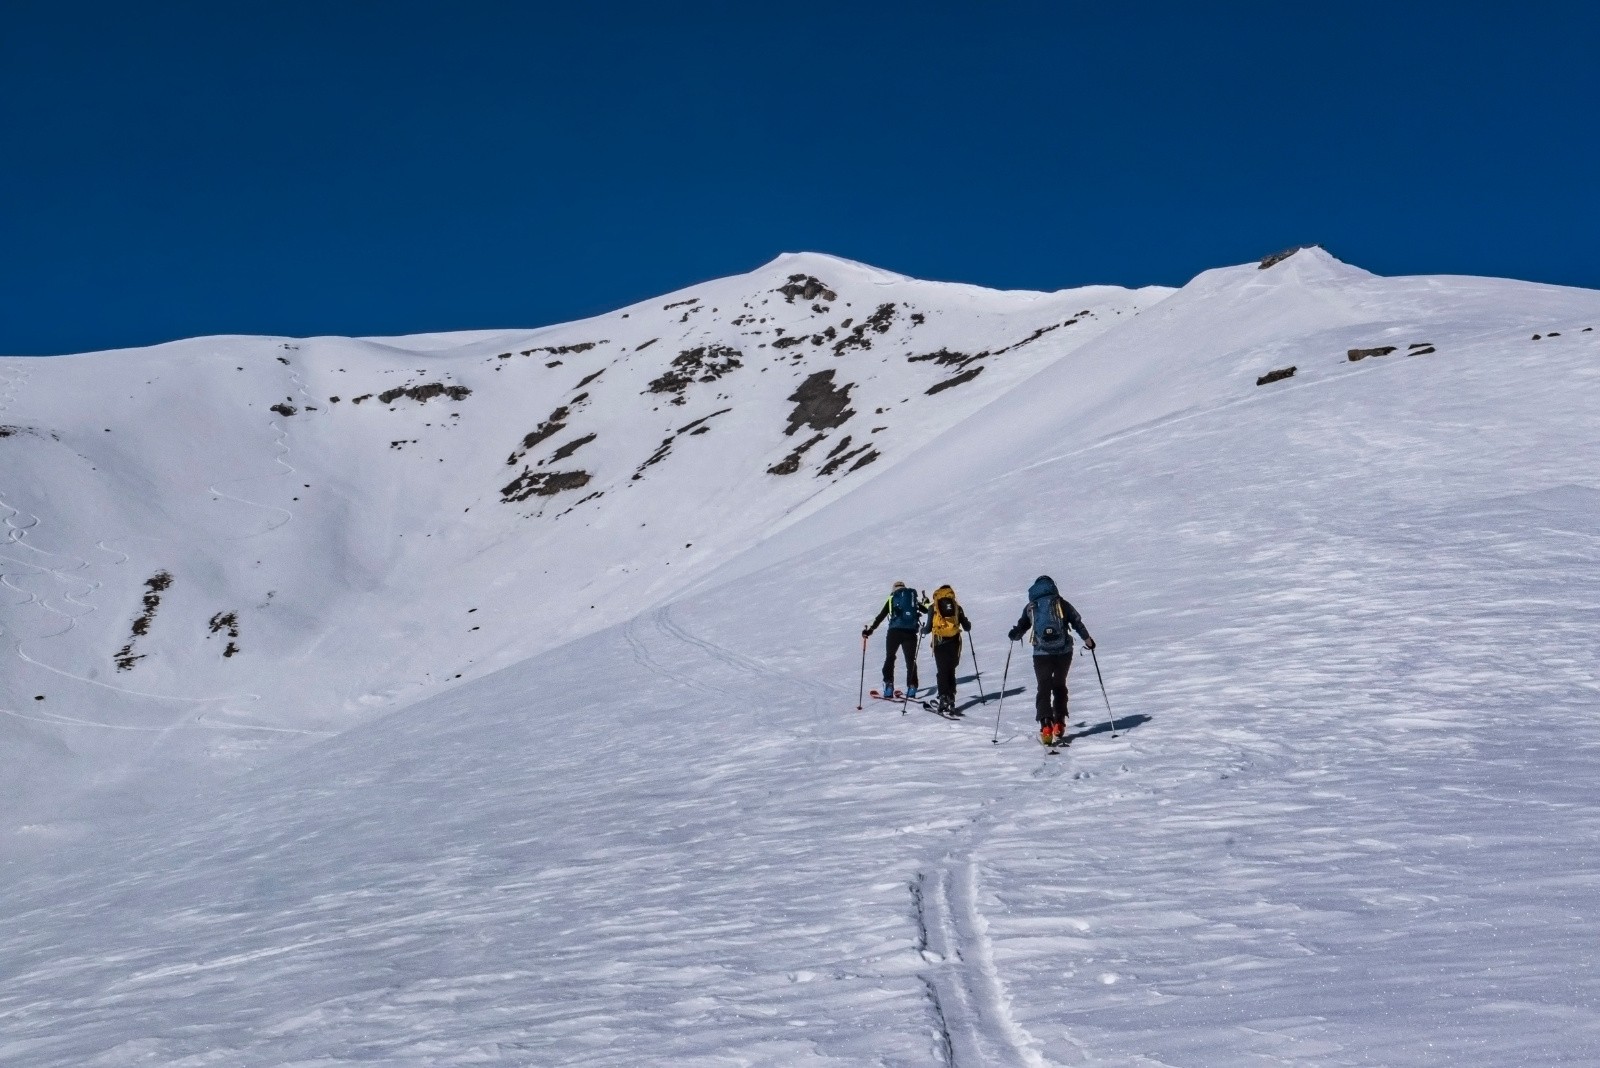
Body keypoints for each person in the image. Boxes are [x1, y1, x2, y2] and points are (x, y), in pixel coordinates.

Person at [1007, 575, 1095, 746]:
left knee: (1044, 687)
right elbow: (1077, 621)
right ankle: (1059, 723)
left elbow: (1021, 628)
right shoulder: (1060, 602)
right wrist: (1088, 640)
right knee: (1060, 685)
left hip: (1041, 654)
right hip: (1064, 652)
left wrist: (1014, 635)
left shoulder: (1031, 607)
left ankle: (1046, 725)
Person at [863, 581, 928, 697]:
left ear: (894, 589)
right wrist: (926, 602)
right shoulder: (912, 598)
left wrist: (870, 630)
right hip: (911, 633)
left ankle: (888, 686)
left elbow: (881, 616)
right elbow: (927, 610)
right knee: (910, 660)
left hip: (894, 632)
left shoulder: (892, 598)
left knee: (890, 657)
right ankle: (912, 687)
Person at [923, 584, 972, 715]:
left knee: (942, 672)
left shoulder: (933, 607)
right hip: (954, 642)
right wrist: (967, 623)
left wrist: (922, 630)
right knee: (951, 671)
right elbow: (967, 627)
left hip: (939, 643)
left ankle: (943, 697)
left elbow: (927, 629)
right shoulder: (956, 607)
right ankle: (951, 698)